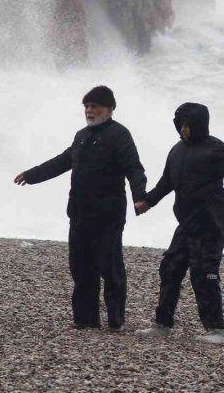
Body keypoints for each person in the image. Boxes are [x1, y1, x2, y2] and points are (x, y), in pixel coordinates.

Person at [13, 85, 146, 332]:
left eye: (94, 106)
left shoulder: (119, 135)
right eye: (86, 106)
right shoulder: (81, 136)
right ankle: (85, 319)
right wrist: (31, 175)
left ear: (110, 108)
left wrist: (140, 197)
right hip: (79, 213)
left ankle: (115, 321)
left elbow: (134, 168)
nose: (89, 111)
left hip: (108, 215)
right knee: (81, 267)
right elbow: (62, 162)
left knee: (110, 268)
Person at [133, 102, 224, 346]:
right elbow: (166, 182)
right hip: (187, 222)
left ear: (200, 125)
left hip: (211, 222)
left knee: (204, 272)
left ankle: (217, 329)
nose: (184, 130)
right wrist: (147, 202)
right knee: (170, 267)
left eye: (189, 125)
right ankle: (162, 325)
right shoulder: (176, 151)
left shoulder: (213, 148)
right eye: (181, 125)